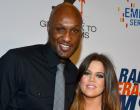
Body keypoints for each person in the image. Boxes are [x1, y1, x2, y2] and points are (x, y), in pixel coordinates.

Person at [0, 2, 83, 110]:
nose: (67, 38)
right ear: (48, 27)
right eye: (60, 29)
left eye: (74, 31)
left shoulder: (76, 76)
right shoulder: (16, 61)